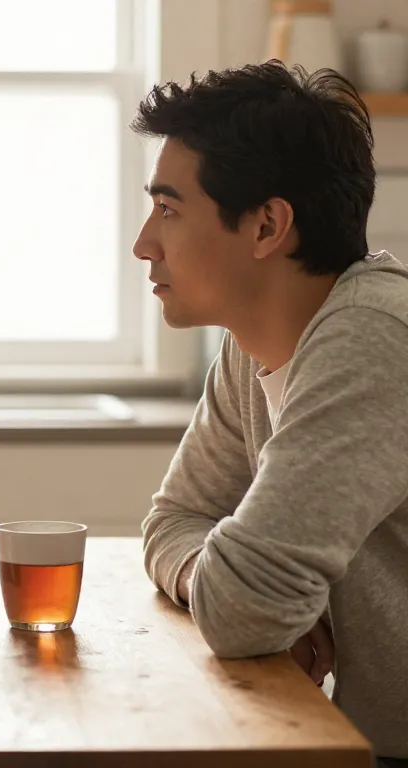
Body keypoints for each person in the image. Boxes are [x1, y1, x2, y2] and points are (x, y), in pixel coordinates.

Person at [131, 60, 408, 764]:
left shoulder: (372, 337)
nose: (144, 244)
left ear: (266, 226)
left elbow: (246, 608)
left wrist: (247, 587)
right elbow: (173, 522)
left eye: (168, 209)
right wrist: (217, 575)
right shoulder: (251, 346)